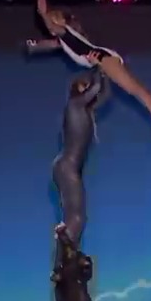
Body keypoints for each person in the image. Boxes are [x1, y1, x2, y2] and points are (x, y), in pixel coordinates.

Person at [26, 0, 151, 141]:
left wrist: (43, 13)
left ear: (63, 23)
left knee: (133, 89)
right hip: (97, 64)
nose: (53, 21)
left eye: (56, 17)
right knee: (87, 95)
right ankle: (82, 128)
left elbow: (52, 28)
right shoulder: (62, 40)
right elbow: (46, 44)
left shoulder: (65, 33)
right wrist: (32, 45)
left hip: (103, 59)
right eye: (52, 17)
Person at [49, 64, 110, 249]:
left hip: (67, 168)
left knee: (75, 218)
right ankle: (66, 255)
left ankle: (65, 260)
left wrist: (105, 77)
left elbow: (103, 95)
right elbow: (96, 89)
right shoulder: (74, 105)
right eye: (85, 86)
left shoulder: (84, 111)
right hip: (67, 167)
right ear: (78, 89)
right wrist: (100, 67)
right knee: (77, 218)